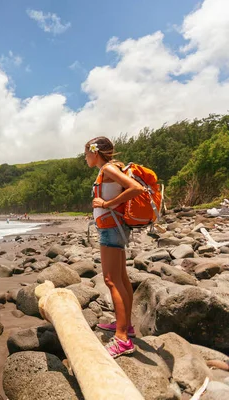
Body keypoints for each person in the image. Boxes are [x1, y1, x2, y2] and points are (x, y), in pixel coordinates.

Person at [84, 136, 143, 358]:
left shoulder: (108, 168)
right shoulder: (111, 168)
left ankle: (122, 339)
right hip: (115, 227)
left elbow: (136, 188)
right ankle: (125, 326)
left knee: (111, 280)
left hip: (111, 228)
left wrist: (107, 204)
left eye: (86, 154)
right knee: (122, 278)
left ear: (95, 152)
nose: (86, 158)